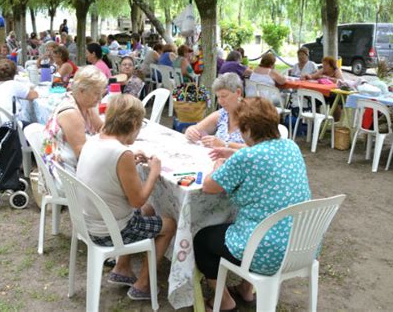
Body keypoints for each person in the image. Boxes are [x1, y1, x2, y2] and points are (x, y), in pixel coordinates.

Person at [195, 97, 311, 311]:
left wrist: (218, 164)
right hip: (302, 245)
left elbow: (209, 186)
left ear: (247, 128)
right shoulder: (291, 146)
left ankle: (223, 301)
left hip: (267, 253)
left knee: (202, 240)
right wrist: (234, 152)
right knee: (257, 226)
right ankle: (246, 289)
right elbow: (260, 158)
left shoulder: (248, 156)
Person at [77, 94, 176, 300]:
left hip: (89, 222)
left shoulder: (95, 140)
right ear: (132, 124)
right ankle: (143, 284)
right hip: (109, 231)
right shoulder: (121, 154)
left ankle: (122, 268)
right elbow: (137, 200)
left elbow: (114, 174)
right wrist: (154, 172)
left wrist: (131, 159)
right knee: (169, 225)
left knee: (149, 209)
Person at [42, 65, 107, 172]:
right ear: (82, 90)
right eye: (96, 93)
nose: (100, 98)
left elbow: (102, 128)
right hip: (65, 174)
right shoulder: (71, 113)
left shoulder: (86, 105)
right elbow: (82, 154)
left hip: (73, 165)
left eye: (101, 94)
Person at [185, 73, 245, 149]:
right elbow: (197, 129)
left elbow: (258, 150)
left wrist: (225, 145)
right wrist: (191, 132)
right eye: (218, 97)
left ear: (238, 92)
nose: (220, 101)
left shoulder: (254, 116)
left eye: (224, 96)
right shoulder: (222, 114)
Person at [0, 59, 38, 135]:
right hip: (7, 127)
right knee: (37, 128)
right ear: (14, 74)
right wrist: (30, 87)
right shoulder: (13, 84)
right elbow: (34, 95)